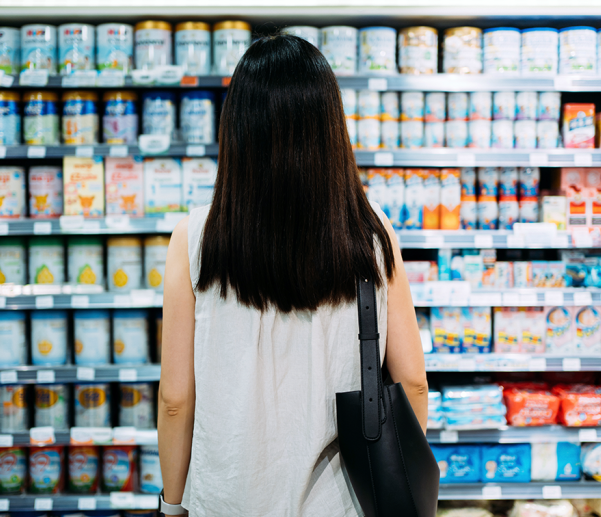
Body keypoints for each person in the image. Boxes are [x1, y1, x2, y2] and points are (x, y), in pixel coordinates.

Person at [157, 33, 428, 517]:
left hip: (227, 500)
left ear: (236, 128)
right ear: (330, 128)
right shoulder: (370, 231)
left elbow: (176, 399)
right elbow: (412, 382)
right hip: (339, 504)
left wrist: (172, 506)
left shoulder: (194, 238)